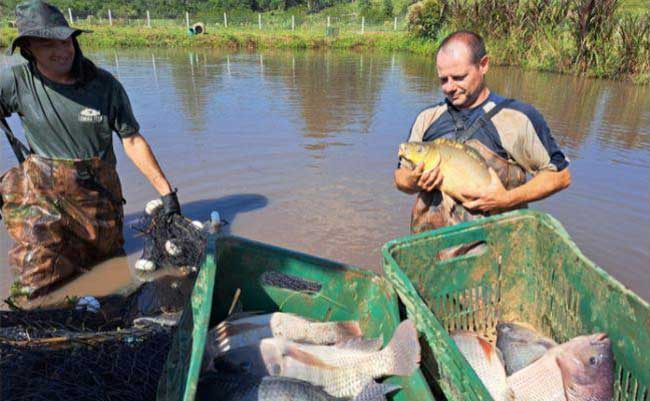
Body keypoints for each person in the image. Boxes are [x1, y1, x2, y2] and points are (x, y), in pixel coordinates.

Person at [0, 0, 181, 300]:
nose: (61, 50)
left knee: (113, 282)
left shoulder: (104, 86)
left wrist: (167, 194)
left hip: (100, 204)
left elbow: (132, 140)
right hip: (44, 204)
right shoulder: (17, 81)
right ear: (28, 48)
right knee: (34, 291)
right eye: (47, 44)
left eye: (65, 39)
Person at [394, 31, 571, 234]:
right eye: (443, 80)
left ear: (483, 65)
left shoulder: (518, 119)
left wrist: (507, 199)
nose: (450, 87)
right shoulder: (427, 118)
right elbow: (400, 177)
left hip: (495, 248)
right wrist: (412, 181)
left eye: (459, 77)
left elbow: (560, 176)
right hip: (429, 248)